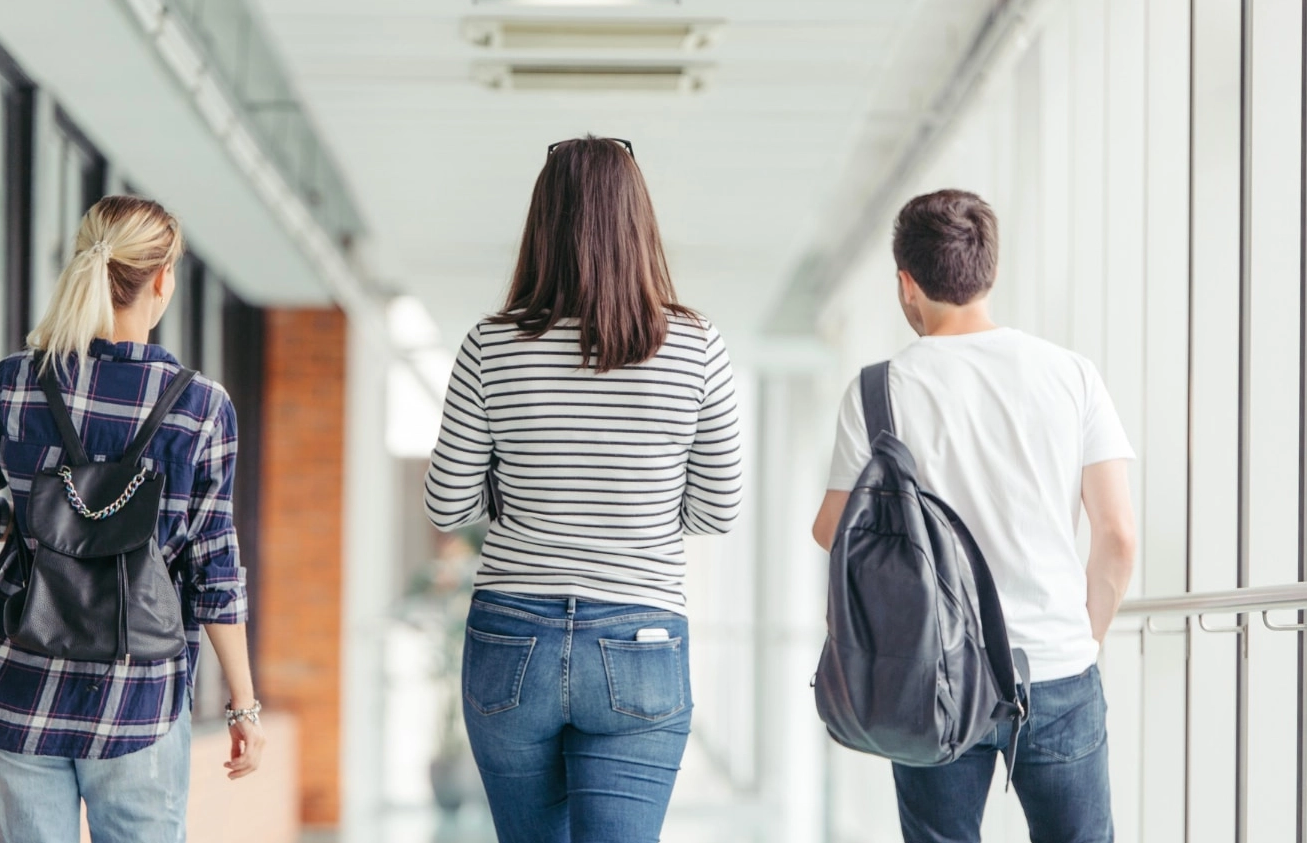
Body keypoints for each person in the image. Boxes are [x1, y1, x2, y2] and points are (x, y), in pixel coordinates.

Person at [423, 135, 743, 843]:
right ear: (638, 222)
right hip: (643, 634)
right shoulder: (697, 346)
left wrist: (513, 493)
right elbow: (718, 508)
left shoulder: (490, 344)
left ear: (543, 224)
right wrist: (643, 506)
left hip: (512, 635)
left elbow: (447, 503)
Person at [810, 189, 1137, 843]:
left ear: (907, 284)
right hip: (1055, 667)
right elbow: (1118, 536)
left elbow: (831, 531)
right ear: (990, 271)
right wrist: (1086, 638)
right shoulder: (1072, 375)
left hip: (927, 670)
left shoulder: (880, 389)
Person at [0, 195, 264, 843]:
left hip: (18, 685)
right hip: (136, 697)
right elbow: (214, 571)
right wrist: (242, 704)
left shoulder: (18, 382)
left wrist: (30, 524)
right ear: (163, 279)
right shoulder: (200, 408)